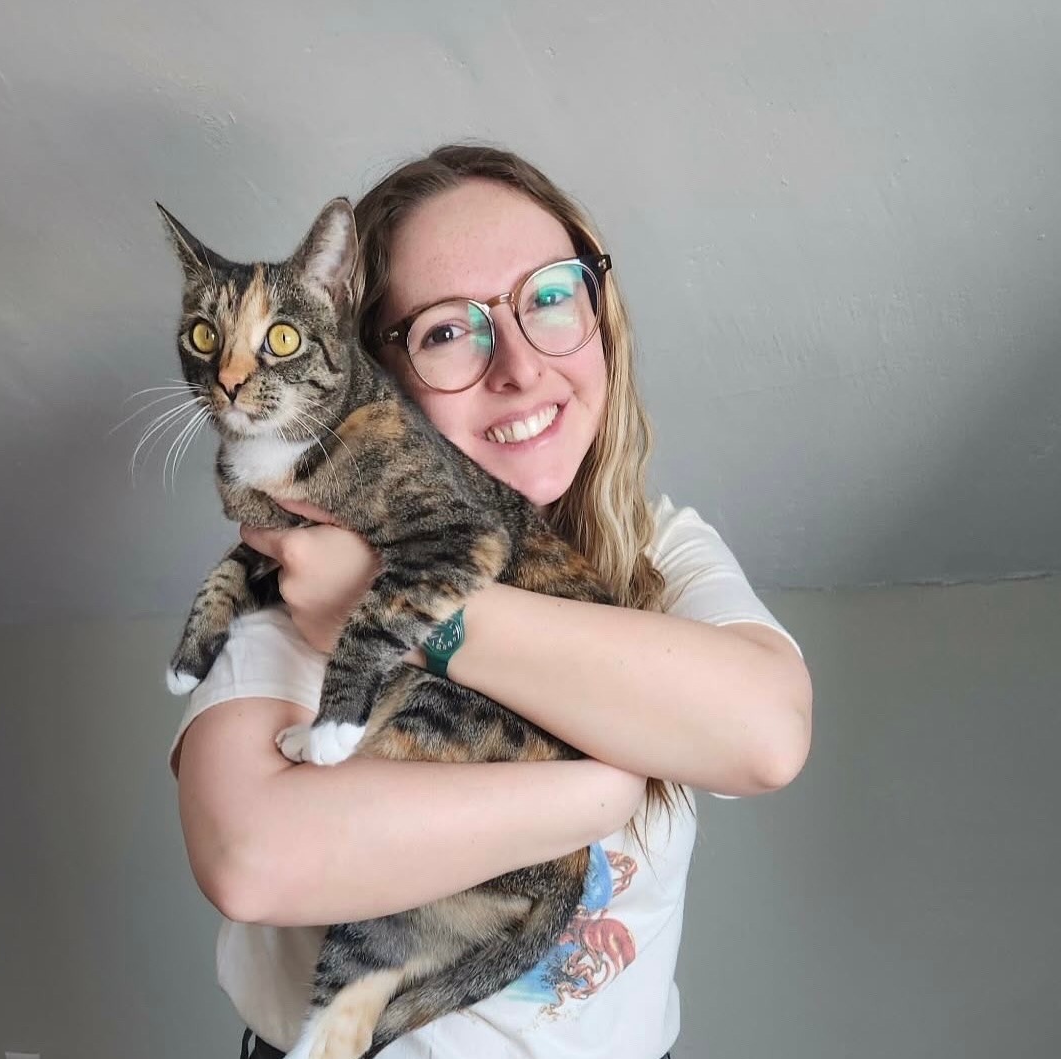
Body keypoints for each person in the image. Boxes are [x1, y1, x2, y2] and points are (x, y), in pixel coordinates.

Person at [169, 144, 813, 1059]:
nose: (516, 365)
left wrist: (393, 600)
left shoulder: (655, 545)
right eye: (446, 329)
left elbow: (768, 736)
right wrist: (600, 790)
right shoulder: (291, 555)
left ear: (599, 313)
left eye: (550, 295)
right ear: (371, 366)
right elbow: (250, 859)